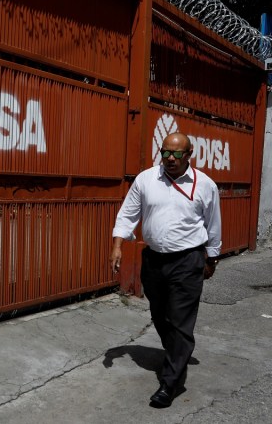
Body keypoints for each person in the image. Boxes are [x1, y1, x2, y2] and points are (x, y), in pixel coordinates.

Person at [109, 132, 221, 408]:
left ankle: (170, 383)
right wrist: (118, 245)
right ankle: (178, 352)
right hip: (155, 260)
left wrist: (212, 258)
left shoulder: (205, 185)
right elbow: (128, 213)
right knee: (160, 314)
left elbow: (213, 223)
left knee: (181, 320)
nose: (170, 159)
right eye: (166, 153)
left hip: (188, 260)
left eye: (177, 154)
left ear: (189, 154)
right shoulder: (147, 179)